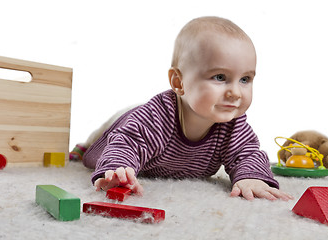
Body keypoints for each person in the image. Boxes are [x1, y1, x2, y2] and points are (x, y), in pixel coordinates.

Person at [78, 16, 293, 201]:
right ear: (179, 82)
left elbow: (247, 154)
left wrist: (251, 176)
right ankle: (84, 145)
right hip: (129, 120)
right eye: (220, 77)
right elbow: (126, 144)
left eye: (245, 79)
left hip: (155, 137)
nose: (236, 92)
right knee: (104, 139)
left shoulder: (233, 124)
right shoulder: (154, 119)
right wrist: (118, 171)